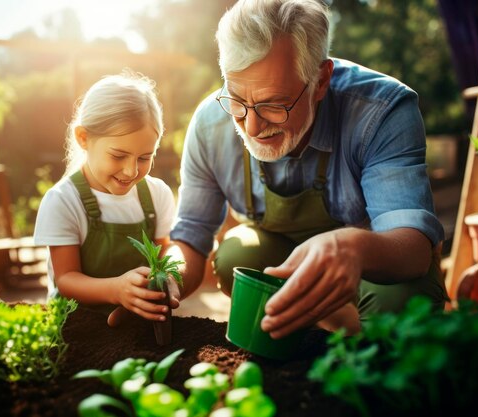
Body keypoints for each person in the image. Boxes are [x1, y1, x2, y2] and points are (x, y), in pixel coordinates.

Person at [168, 0, 447, 338]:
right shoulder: (209, 125)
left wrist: (354, 247)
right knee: (235, 256)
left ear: (320, 81)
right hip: (284, 255)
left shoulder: (382, 111)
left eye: (274, 105)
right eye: (238, 101)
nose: (252, 127)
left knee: (402, 300)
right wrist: (164, 281)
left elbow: (414, 246)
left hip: (374, 258)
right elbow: (192, 235)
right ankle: (314, 333)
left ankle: (357, 337)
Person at [34, 71, 178, 325]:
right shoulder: (63, 201)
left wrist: (171, 275)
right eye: (118, 155)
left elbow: (164, 250)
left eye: (144, 157)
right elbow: (66, 279)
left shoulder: (157, 195)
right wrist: (117, 290)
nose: (131, 171)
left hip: (137, 326)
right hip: (75, 329)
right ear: (84, 138)